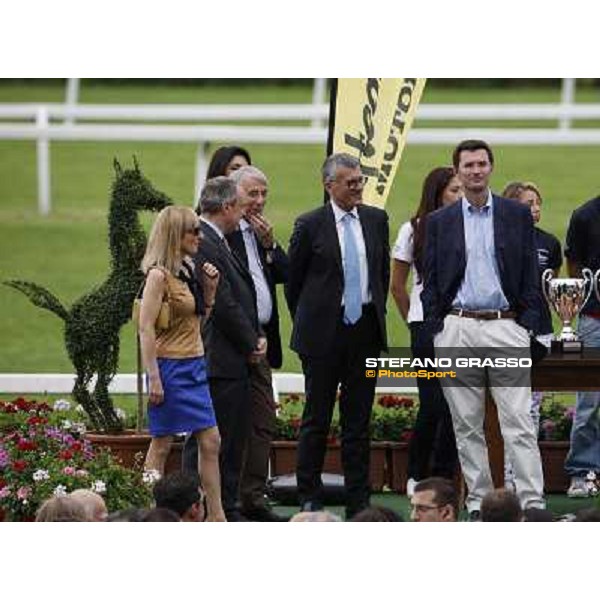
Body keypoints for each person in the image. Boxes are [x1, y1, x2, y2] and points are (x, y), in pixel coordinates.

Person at [422, 139, 545, 519]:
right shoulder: (440, 221)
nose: (475, 171)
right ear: (456, 170)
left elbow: (528, 273)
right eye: (468, 165)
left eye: (481, 164)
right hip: (457, 326)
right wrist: (438, 329)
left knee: (519, 423)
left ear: (491, 167)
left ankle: (532, 504)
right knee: (466, 425)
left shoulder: (514, 214)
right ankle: (478, 504)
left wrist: (525, 326)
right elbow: (431, 277)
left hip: (505, 325)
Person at [286, 152, 390, 519]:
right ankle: (309, 495)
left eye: (360, 180)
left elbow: (381, 273)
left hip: (364, 331)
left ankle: (358, 500)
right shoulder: (310, 224)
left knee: (358, 421)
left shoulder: (377, 220)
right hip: (323, 336)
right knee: (317, 417)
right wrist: (313, 321)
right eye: (350, 182)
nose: (358, 187)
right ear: (329, 185)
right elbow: (294, 284)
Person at [183, 176, 266, 521]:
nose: (245, 213)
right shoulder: (206, 242)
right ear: (228, 207)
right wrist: (251, 341)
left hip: (227, 356)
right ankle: (205, 507)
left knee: (225, 438)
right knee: (213, 441)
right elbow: (226, 303)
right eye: (242, 206)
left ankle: (222, 506)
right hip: (221, 357)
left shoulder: (219, 240)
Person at [139, 205, 225, 522]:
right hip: (170, 369)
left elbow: (196, 326)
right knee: (161, 443)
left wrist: (210, 293)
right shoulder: (158, 276)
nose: (200, 237)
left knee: (211, 440)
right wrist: (155, 378)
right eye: (194, 231)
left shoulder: (187, 270)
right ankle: (150, 515)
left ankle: (217, 516)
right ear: (176, 235)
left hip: (194, 365)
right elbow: (145, 328)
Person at [391, 166, 462, 496]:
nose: (460, 196)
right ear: (437, 193)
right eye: (454, 190)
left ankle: (444, 475)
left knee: (457, 404)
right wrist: (415, 322)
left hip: (462, 325)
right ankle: (417, 474)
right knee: (433, 403)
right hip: (426, 327)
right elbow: (397, 285)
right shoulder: (413, 229)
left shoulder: (469, 225)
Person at [227, 165, 289, 522]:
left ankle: (252, 498)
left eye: (264, 194)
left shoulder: (258, 234)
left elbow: (288, 273)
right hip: (235, 344)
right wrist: (249, 337)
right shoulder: (224, 234)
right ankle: (232, 500)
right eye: (253, 194)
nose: (260, 201)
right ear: (235, 195)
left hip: (263, 342)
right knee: (233, 424)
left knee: (263, 422)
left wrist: (271, 245)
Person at [501, 181, 562, 490]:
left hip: (542, 332)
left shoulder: (549, 244)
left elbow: (552, 288)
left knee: (532, 408)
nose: (535, 208)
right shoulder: (498, 240)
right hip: (508, 332)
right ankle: (507, 477)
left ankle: (526, 480)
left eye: (537, 202)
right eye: (527, 203)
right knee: (509, 407)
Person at [564, 194, 600, 497]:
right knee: (588, 401)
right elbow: (573, 265)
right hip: (594, 320)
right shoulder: (585, 214)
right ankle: (582, 471)